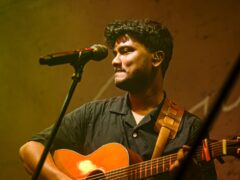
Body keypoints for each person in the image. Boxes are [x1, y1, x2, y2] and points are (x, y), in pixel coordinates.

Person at [19, 19, 217, 179]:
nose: (114, 61)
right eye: (115, 53)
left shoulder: (189, 128)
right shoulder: (93, 114)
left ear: (156, 58)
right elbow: (30, 148)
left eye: (126, 51)